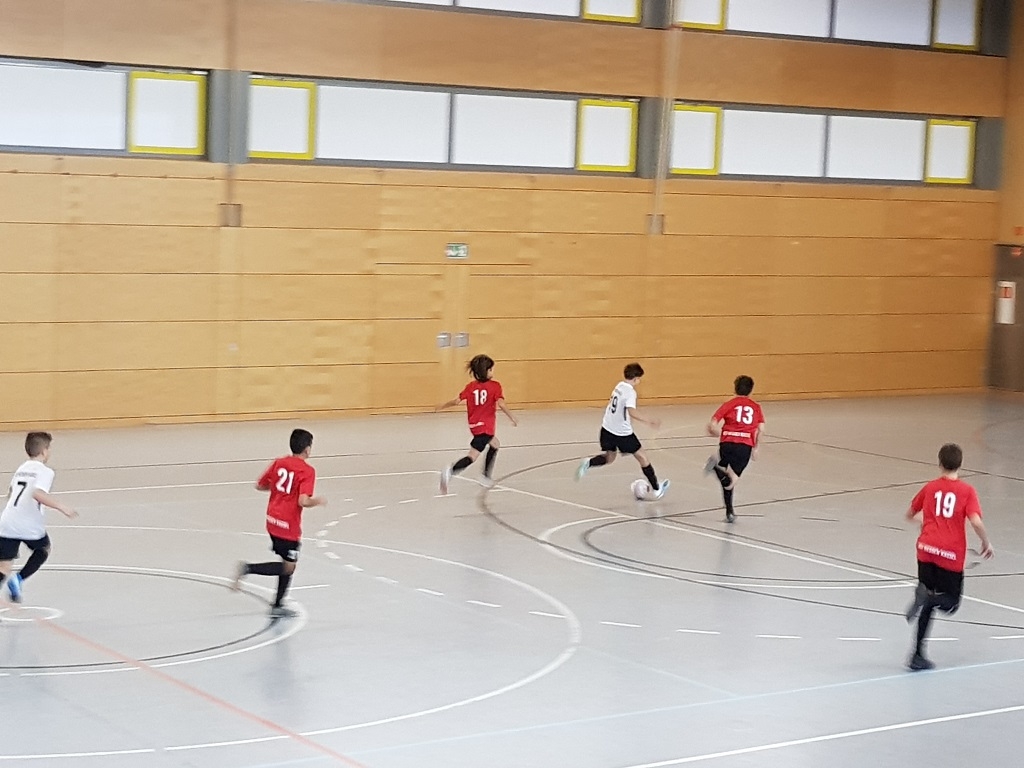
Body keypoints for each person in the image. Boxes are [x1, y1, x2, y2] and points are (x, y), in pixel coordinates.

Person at [904, 443, 993, 671]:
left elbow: (910, 514)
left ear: (940, 463)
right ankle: (927, 599)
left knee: (929, 596)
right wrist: (986, 541)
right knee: (950, 602)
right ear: (960, 464)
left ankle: (917, 654)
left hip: (926, 549)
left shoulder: (930, 487)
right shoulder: (966, 491)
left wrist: (926, 522)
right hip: (949, 554)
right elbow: (975, 521)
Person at [233, 428, 326, 619]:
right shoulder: (307, 471)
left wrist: (278, 489)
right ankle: (248, 569)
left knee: (286, 563)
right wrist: (318, 501)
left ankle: (277, 605)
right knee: (289, 567)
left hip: (272, 520)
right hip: (288, 525)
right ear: (307, 449)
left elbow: (260, 485)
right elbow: (303, 501)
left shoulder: (279, 463)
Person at [0, 432, 78, 603]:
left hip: (7, 521)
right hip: (28, 524)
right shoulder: (45, 471)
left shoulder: (22, 468)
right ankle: (18, 579)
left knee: (4, 566)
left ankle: (11, 580)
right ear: (44, 451)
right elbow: (37, 493)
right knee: (43, 549)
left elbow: (11, 492)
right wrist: (62, 507)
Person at [576, 362, 669, 499]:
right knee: (642, 457)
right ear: (636, 378)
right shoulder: (630, 392)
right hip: (622, 433)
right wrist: (649, 420)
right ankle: (656, 489)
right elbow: (632, 411)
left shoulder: (619, 386)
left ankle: (589, 463)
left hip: (607, 428)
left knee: (609, 458)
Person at [437, 354, 517, 494]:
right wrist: (512, 417)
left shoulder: (470, 387)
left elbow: (456, 401)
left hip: (474, 426)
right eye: (491, 369)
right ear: (486, 371)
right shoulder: (495, 386)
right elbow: (501, 404)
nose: (492, 371)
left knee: (495, 444)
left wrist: (443, 406)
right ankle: (451, 471)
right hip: (486, 428)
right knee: (472, 456)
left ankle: (485, 476)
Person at [704, 375, 764, 523]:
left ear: (735, 388)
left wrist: (716, 432)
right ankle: (714, 468)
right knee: (730, 482)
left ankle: (729, 512)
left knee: (726, 478)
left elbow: (713, 422)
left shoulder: (729, 404)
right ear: (751, 390)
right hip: (744, 446)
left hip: (726, 444)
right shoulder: (755, 407)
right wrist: (756, 447)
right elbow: (761, 429)